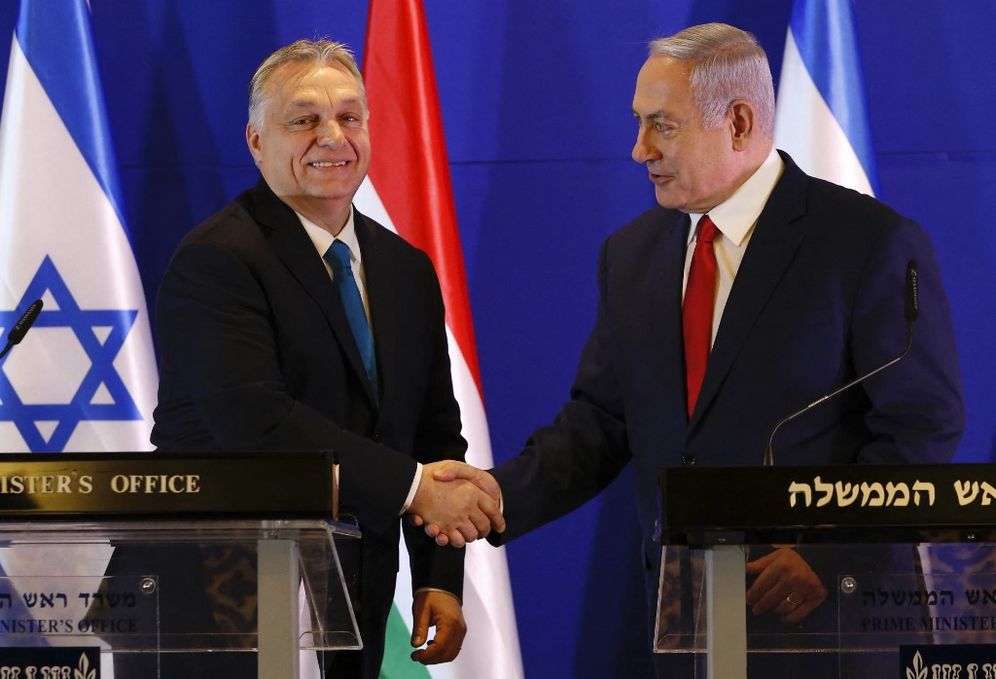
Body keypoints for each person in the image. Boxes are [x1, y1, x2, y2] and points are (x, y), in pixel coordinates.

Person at [421, 22, 965, 675]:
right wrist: (494, 494)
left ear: (738, 123)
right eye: (639, 123)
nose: (638, 149)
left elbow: (921, 427)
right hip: (689, 627)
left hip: (826, 628)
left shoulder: (865, 242)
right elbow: (600, 424)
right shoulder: (633, 255)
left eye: (662, 125)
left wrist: (827, 551)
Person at [147, 39, 502, 678]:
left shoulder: (405, 269)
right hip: (217, 603)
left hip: (352, 601)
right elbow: (257, 423)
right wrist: (417, 490)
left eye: (350, 116)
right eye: (304, 118)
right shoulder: (218, 260)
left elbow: (433, 435)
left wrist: (439, 576)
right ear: (256, 141)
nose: (332, 135)